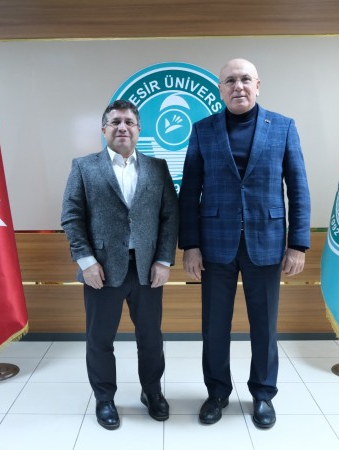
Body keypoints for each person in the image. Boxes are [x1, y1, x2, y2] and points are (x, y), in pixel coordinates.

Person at [178, 58, 311, 429]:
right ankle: (217, 393)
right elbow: (189, 192)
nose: (238, 86)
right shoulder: (202, 130)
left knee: (264, 327)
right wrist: (190, 245)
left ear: (258, 85)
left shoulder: (283, 127)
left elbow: (298, 188)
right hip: (214, 245)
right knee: (214, 327)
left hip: (266, 243)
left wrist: (298, 244)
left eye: (245, 79)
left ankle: (263, 395)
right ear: (221, 89)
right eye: (231, 80)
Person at [61, 99, 179, 430]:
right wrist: (86, 262)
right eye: (115, 122)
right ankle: (104, 398)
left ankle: (152, 392)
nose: (122, 127)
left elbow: (170, 217)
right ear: (104, 129)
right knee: (100, 339)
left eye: (129, 122)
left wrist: (164, 260)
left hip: (147, 270)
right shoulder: (84, 167)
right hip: (100, 270)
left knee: (151, 338)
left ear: (139, 130)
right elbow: (71, 217)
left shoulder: (158, 168)